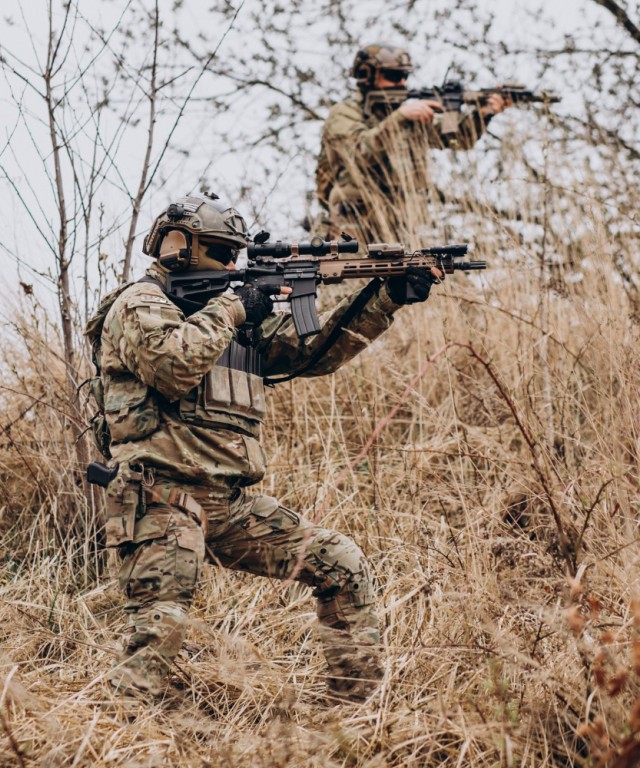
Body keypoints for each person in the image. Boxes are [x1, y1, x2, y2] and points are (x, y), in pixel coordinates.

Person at [87, 193, 443, 703]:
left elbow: (310, 352)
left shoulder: (227, 317)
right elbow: (171, 365)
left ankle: (353, 710)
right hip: (160, 498)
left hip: (229, 505)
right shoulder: (139, 305)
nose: (233, 264)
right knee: (160, 630)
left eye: (236, 254)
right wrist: (233, 307)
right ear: (180, 248)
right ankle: (111, 734)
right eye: (221, 252)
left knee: (342, 565)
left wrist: (384, 297)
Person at [314, 42, 510, 245]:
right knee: (353, 276)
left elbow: (456, 137)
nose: (402, 82)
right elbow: (358, 155)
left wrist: (483, 114)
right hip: (355, 225)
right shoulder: (344, 114)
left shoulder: (409, 116)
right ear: (368, 75)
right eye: (393, 76)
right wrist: (399, 119)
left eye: (405, 76)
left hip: (402, 224)